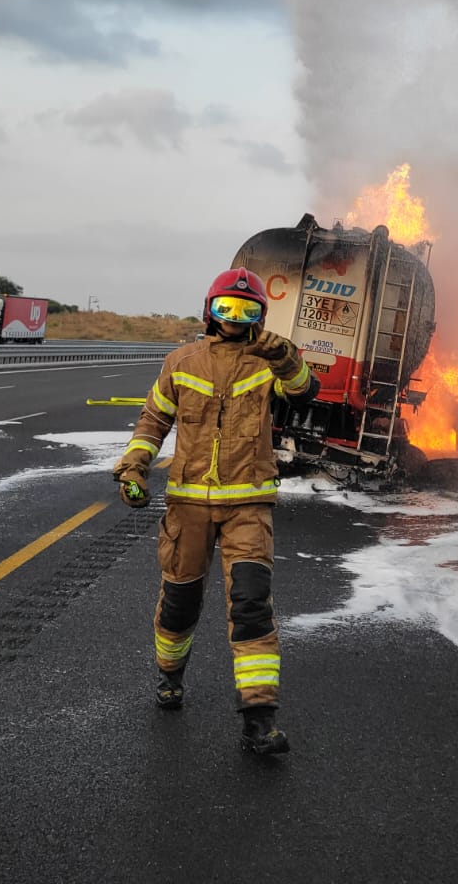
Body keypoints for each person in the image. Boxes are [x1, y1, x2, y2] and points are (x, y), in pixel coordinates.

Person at [112, 266, 319, 755]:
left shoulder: (270, 361)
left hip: (249, 503)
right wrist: (134, 467)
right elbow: (153, 419)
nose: (234, 318)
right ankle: (169, 677)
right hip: (187, 506)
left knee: (251, 605)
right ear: (210, 310)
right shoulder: (181, 361)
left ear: (259, 317)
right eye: (226, 308)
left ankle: (259, 718)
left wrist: (286, 357)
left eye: (247, 310)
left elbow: (305, 392)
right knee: (180, 603)